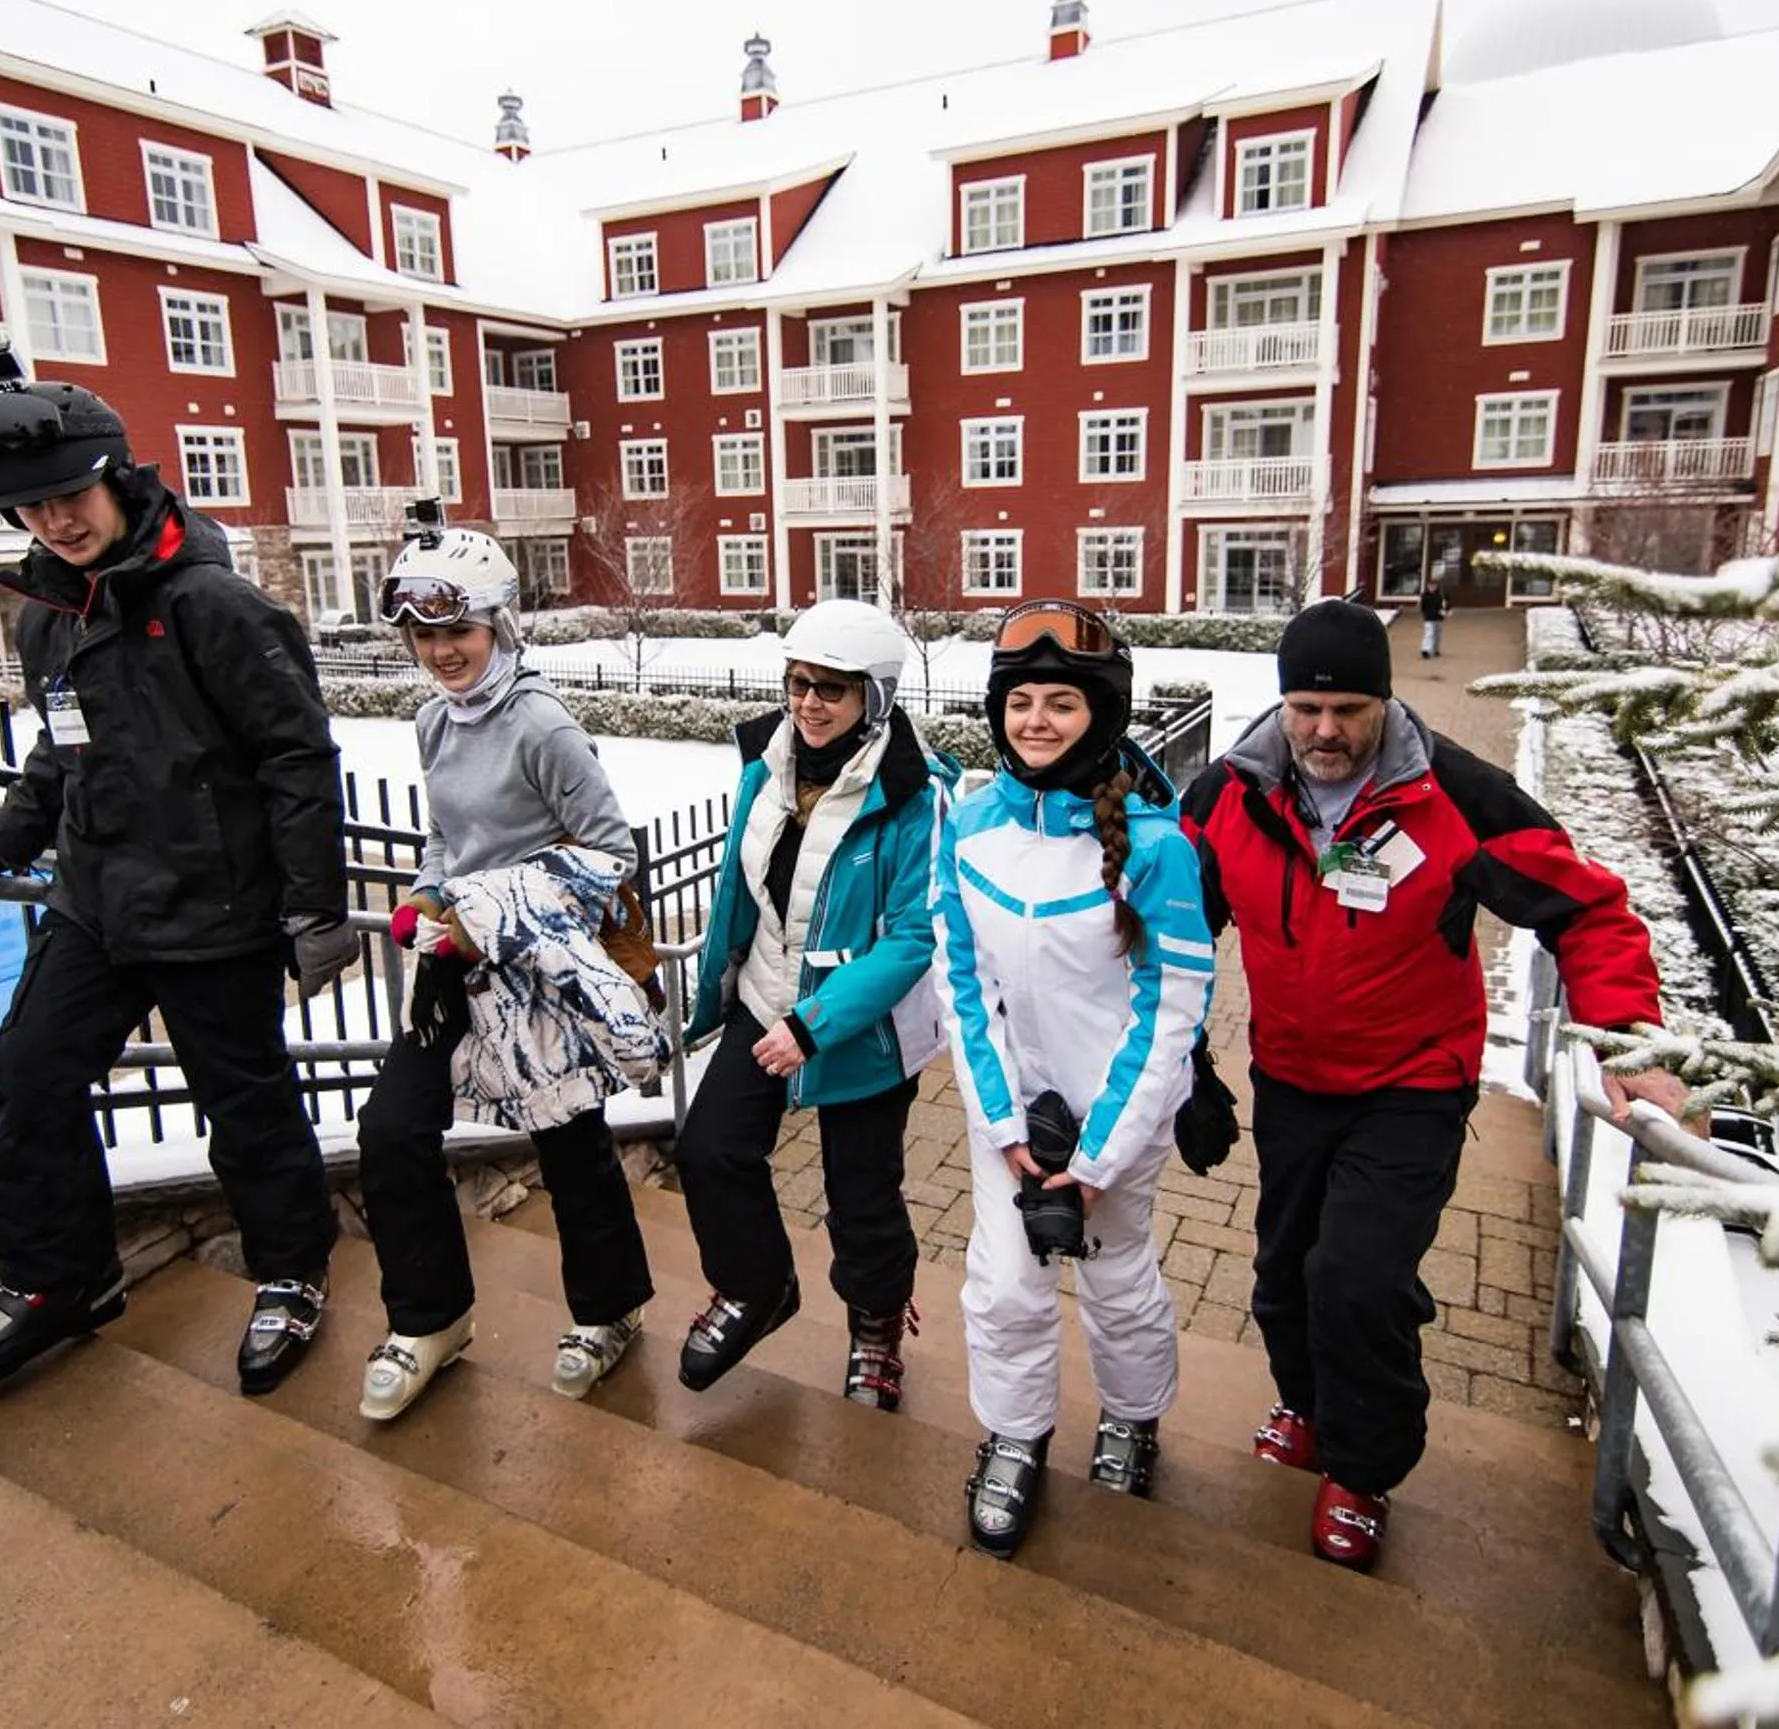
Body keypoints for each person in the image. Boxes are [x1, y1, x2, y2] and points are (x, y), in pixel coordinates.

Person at [1180, 597, 1686, 1572]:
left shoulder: (1456, 793)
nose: (1326, 730)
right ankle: (1313, 1408)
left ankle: (1363, 1467)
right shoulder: (1227, 795)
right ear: (1283, 702)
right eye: (1308, 707)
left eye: (1349, 709)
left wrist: (1625, 1034)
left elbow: (1585, 906)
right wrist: (1180, 1064)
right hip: (1290, 1074)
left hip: (1414, 1080)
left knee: (1357, 1275)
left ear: (1384, 700)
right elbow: (1170, 930)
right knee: (1285, 1275)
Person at [0, 350, 353, 1405]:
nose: (55, 522)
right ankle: (59, 1280)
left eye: (68, 496)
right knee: (28, 1072)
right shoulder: (46, 614)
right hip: (97, 902)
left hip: (217, 910)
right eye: (29, 508)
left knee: (242, 1104)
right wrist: (2, 843)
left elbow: (297, 755)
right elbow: (62, 755)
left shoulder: (214, 604)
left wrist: (314, 905)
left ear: (114, 475)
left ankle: (290, 1270)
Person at [352, 508, 660, 1421]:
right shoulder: (433, 723)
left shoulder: (544, 727)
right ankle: (430, 1320)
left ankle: (608, 1314)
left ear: (499, 627)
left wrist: (483, 916)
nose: (440, 651)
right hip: (453, 961)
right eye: (423, 634)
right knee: (392, 1135)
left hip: (537, 972)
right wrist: (425, 894)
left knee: (571, 1153)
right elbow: (446, 841)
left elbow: (612, 854)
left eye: (457, 631)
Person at [933, 601, 1215, 1559]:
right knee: (1005, 1287)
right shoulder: (968, 826)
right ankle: (1015, 1436)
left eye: (1062, 702)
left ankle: (1133, 1419)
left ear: (1103, 713)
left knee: (1116, 1283)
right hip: (1006, 1118)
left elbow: (1171, 1012)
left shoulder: (1159, 846)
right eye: (1021, 702)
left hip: (1117, 1127)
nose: (1038, 721)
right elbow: (960, 985)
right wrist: (1004, 1127)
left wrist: (1096, 1158)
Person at [679, 600, 958, 1411]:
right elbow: (744, 888)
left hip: (857, 1032)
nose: (808, 704)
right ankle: (756, 1287)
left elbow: (912, 937)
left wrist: (819, 1022)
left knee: (861, 1197)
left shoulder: (913, 795)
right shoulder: (762, 768)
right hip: (767, 997)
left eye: (831, 690)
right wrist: (727, 987)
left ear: (874, 698)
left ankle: (875, 1329)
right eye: (799, 684)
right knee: (710, 1150)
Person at [1417, 576, 1448, 661]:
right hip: (1429, 618)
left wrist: (1445, 611)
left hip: (1438, 618)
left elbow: (1444, 605)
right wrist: (1427, 614)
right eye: (1430, 586)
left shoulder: (1440, 596)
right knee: (1429, 633)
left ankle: (1435, 649)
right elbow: (1423, 607)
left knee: (1437, 635)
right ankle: (1425, 650)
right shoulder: (1425, 596)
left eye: (1433, 586)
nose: (1431, 588)